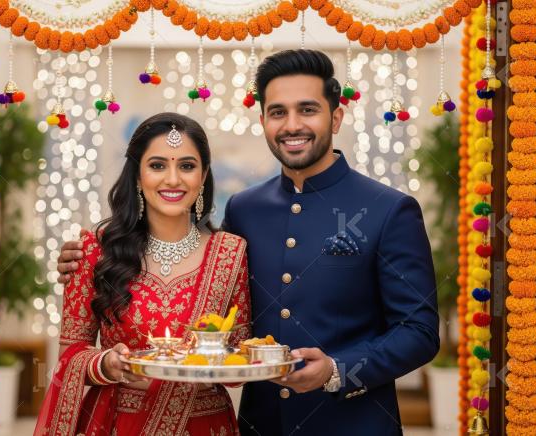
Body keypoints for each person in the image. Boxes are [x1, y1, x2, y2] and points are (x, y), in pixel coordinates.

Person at [58, 49, 439, 435]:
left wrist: (339, 370)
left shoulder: (387, 209)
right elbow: (204, 280)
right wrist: (87, 259)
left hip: (352, 425)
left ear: (336, 117)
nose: (292, 125)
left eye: (308, 110)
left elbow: (419, 332)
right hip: (260, 426)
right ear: (263, 120)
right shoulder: (246, 209)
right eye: (278, 112)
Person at [35, 112, 251, 436]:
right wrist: (106, 364)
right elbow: (70, 357)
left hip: (205, 424)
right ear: (137, 175)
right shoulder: (95, 251)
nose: (173, 179)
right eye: (157, 165)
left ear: (204, 175)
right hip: (118, 424)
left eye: (187, 166)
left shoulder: (230, 253)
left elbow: (238, 361)